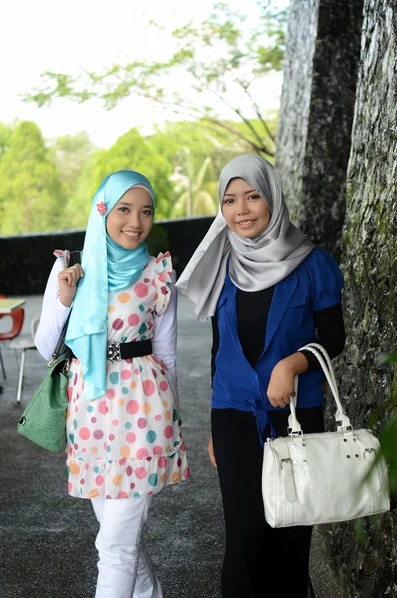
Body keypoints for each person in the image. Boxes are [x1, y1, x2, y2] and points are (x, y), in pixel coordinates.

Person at [175, 154, 345, 598]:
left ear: (272, 198)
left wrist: (292, 363)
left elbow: (335, 339)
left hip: (295, 415)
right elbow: (219, 347)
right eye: (230, 200)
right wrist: (215, 423)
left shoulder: (313, 264)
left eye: (252, 196)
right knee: (245, 531)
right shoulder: (224, 263)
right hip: (232, 413)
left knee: (290, 533)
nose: (241, 210)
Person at [35, 170, 190, 598]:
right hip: (89, 416)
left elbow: (168, 353)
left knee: (115, 547)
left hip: (144, 416)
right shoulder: (70, 268)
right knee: (118, 537)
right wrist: (65, 300)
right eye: (124, 209)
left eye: (145, 212)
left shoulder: (159, 274)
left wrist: (173, 425)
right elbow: (46, 345)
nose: (135, 222)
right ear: (102, 209)